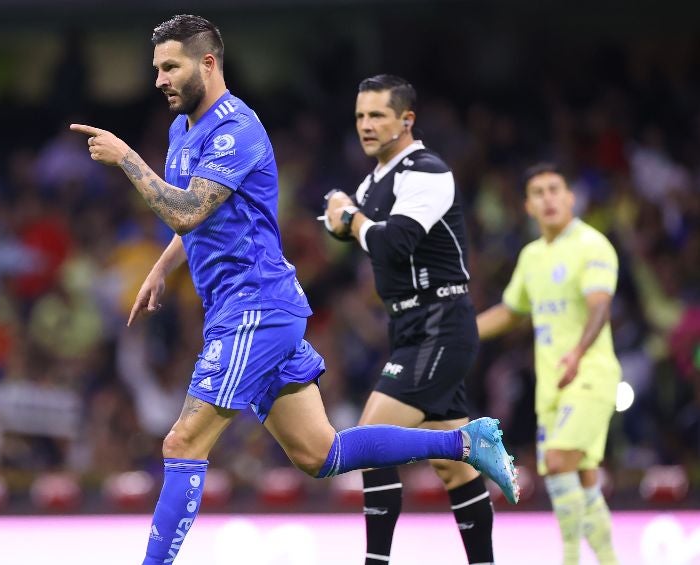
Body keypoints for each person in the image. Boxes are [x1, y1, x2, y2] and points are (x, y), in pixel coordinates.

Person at [70, 15, 519, 564]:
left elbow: (187, 210)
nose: (159, 79)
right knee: (320, 452)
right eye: (156, 69)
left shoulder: (237, 129)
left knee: (182, 444)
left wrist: (127, 161)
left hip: (254, 307)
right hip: (240, 309)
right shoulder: (181, 131)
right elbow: (204, 216)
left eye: (171, 67)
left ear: (207, 64)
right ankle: (466, 441)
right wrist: (164, 264)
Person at [321, 74, 498, 565]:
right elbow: (359, 233)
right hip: (409, 328)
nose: (366, 125)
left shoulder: (427, 171)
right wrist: (343, 219)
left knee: (368, 442)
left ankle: (375, 561)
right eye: (360, 116)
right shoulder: (373, 181)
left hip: (441, 322)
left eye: (377, 114)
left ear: (406, 119)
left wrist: (348, 217)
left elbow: (393, 242)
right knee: (453, 469)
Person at [476, 164, 619, 565]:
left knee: (558, 463)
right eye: (538, 192)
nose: (548, 198)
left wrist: (577, 353)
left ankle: (570, 558)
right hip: (551, 385)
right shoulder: (532, 256)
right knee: (584, 479)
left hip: (589, 375)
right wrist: (466, 333)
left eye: (555, 189)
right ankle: (609, 559)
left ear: (571, 197)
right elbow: (511, 310)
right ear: (527, 206)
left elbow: (600, 305)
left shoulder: (593, 245)